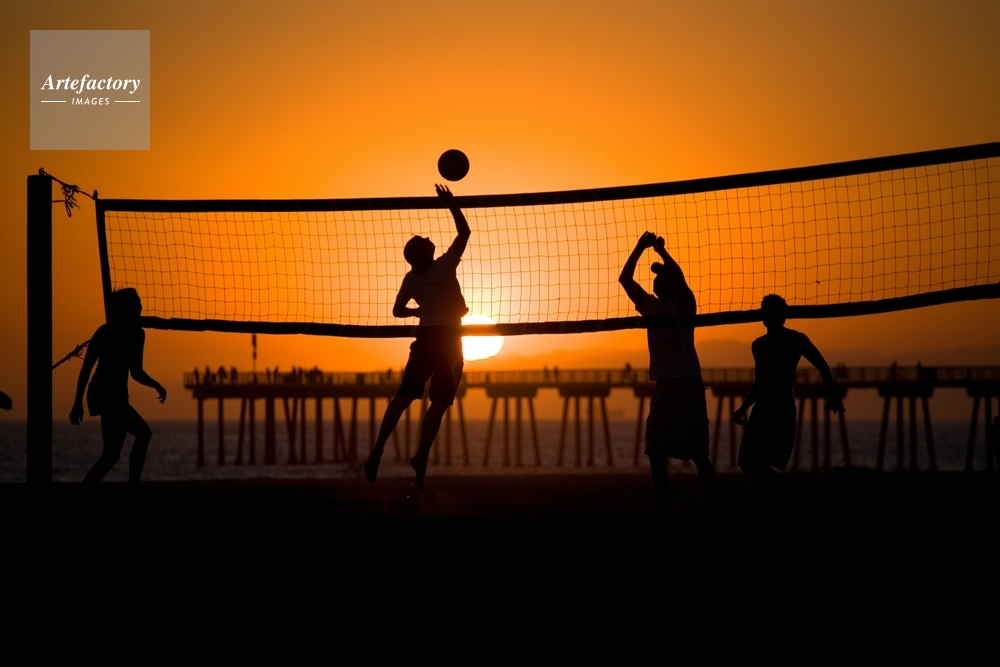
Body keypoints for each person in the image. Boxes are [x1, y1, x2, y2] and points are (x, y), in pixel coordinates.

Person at [364, 184, 471, 489]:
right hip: (449, 341)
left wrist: (418, 313)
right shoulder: (445, 266)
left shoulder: (411, 279)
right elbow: (464, 233)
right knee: (438, 402)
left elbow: (397, 310)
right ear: (423, 254)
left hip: (425, 340)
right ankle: (421, 455)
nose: (427, 238)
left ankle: (378, 449)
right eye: (422, 241)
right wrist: (451, 204)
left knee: (403, 397)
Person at [619, 231, 717, 513]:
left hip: (687, 386)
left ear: (672, 283)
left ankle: (714, 505)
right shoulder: (650, 306)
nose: (657, 279)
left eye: (662, 276)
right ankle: (664, 508)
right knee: (655, 452)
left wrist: (662, 252)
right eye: (655, 277)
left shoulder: (684, 304)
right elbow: (625, 279)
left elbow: (680, 278)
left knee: (699, 454)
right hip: (663, 388)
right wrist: (639, 247)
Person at [732, 294, 843, 508]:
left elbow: (823, 366)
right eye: (764, 311)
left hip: (781, 405)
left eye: (770, 311)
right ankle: (784, 493)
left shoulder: (796, 339)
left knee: (759, 462)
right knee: (750, 463)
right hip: (763, 406)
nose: (766, 315)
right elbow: (759, 381)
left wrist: (833, 396)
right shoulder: (758, 345)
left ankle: (782, 496)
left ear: (781, 317)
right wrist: (743, 408)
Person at [70, 288, 167, 484]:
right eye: (136, 303)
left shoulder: (138, 334)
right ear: (126, 308)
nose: (140, 306)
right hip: (104, 394)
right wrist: (77, 401)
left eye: (140, 302)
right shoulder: (105, 332)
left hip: (119, 395)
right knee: (143, 434)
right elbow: (86, 368)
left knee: (111, 454)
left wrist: (156, 384)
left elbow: (136, 372)